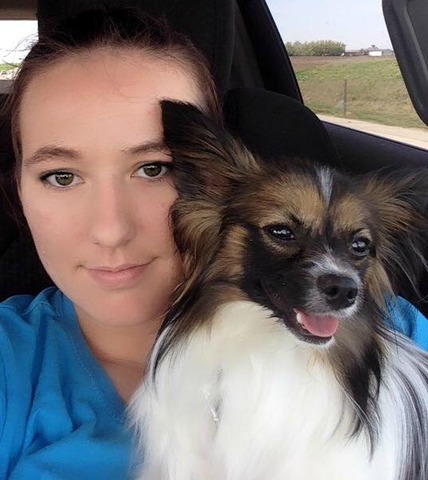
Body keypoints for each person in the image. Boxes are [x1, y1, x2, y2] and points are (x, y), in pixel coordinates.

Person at [0, 6, 426, 480]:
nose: (110, 229)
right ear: (18, 190)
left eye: (154, 169)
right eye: (61, 176)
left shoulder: (395, 335)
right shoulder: (10, 365)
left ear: (211, 184)